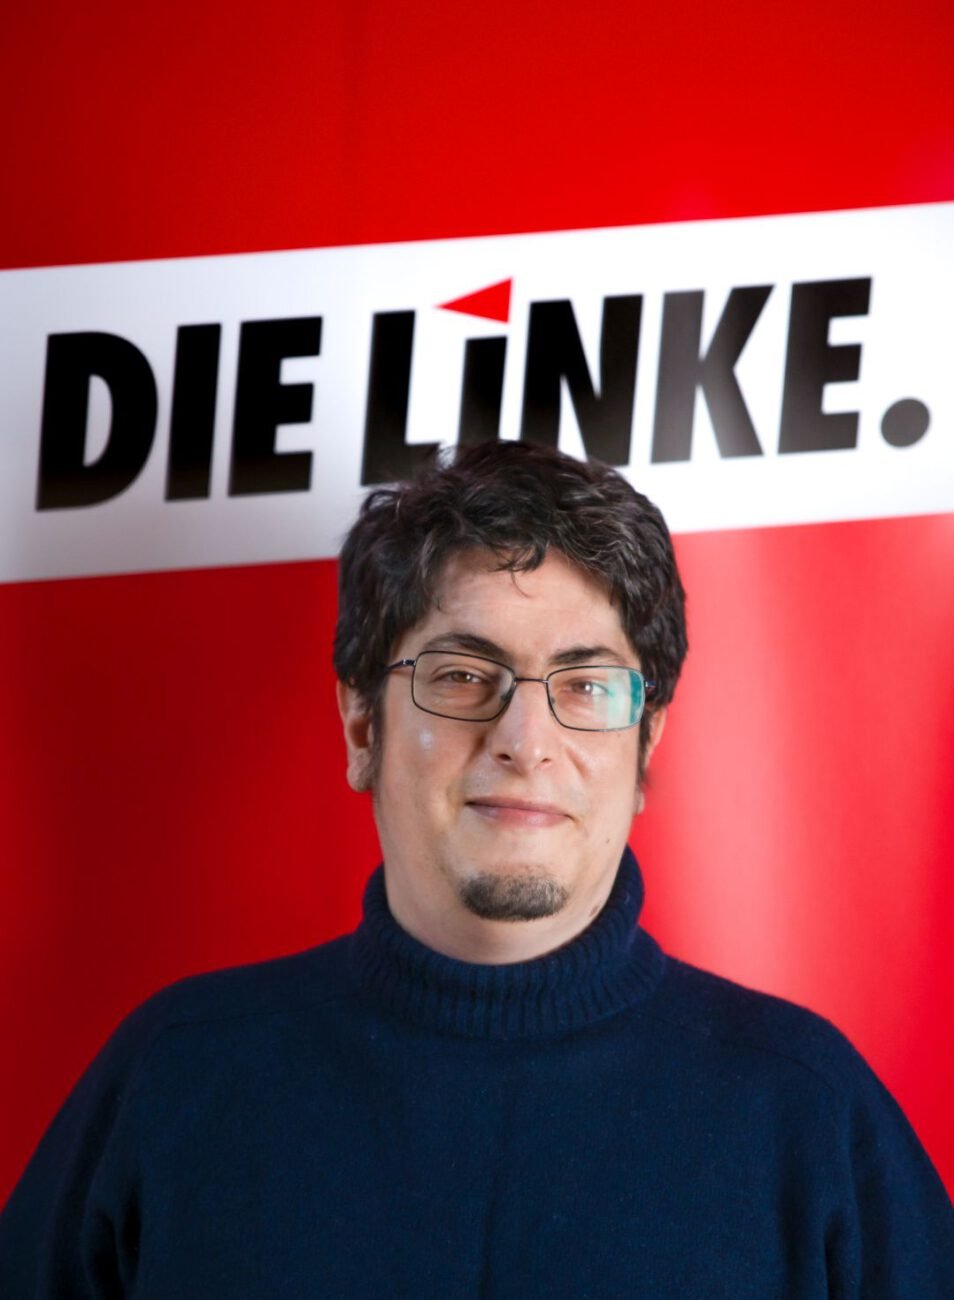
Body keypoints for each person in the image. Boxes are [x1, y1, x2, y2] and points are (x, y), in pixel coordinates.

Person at [1, 442, 952, 1297]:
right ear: (362, 726)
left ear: (646, 746)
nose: (524, 740)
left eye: (585, 685)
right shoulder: (176, 1077)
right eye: (462, 675)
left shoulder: (807, 1112)